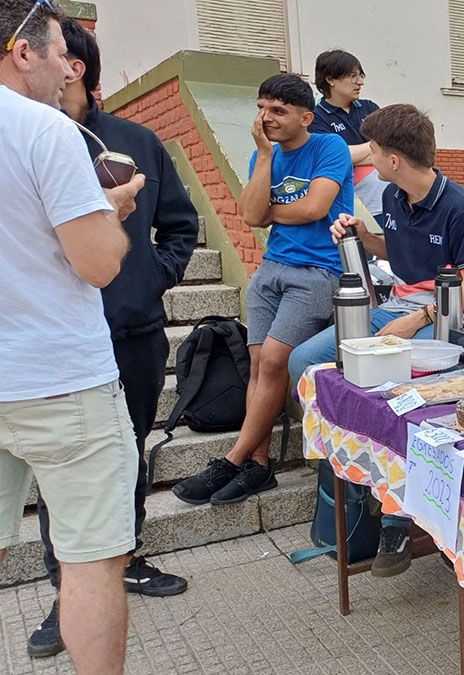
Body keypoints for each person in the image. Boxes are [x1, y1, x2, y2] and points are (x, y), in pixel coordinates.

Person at [23, 17, 199, 659]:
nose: (63, 69)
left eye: (72, 59)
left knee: (128, 451)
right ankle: (63, 588)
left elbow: (181, 222)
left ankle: (127, 558)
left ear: (83, 70)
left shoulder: (137, 142)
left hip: (133, 332)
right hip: (57, 354)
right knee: (63, 478)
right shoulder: (33, 136)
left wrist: (152, 277)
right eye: (58, 56)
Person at [0, 1, 146, 671]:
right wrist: (110, 213)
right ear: (21, 51)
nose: (69, 68)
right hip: (59, 380)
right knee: (91, 559)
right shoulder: (45, 131)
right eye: (60, 51)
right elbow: (97, 262)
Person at [288, 103, 464, 576]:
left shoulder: (460, 206)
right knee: (306, 362)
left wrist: (415, 318)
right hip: (400, 306)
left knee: (390, 388)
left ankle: (397, 516)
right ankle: (362, 474)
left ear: (394, 160)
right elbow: (397, 250)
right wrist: (364, 237)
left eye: (374, 153)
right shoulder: (392, 198)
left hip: (448, 314)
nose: (369, 160)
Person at [171, 74, 353, 506]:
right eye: (261, 108)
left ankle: (231, 460)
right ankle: (259, 464)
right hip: (270, 270)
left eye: (278, 111)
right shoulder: (263, 157)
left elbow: (316, 207)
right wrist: (264, 157)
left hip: (316, 271)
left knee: (273, 360)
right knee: (256, 364)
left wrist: (274, 211)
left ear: (306, 116)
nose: (265, 118)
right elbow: (252, 216)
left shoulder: (329, 148)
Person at [309, 48, 388, 223]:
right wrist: (374, 149)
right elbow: (330, 159)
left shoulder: (370, 108)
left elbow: (391, 149)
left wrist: (350, 156)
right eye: (353, 76)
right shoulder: (316, 117)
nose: (359, 82)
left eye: (361, 76)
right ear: (330, 79)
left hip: (389, 195)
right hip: (354, 203)